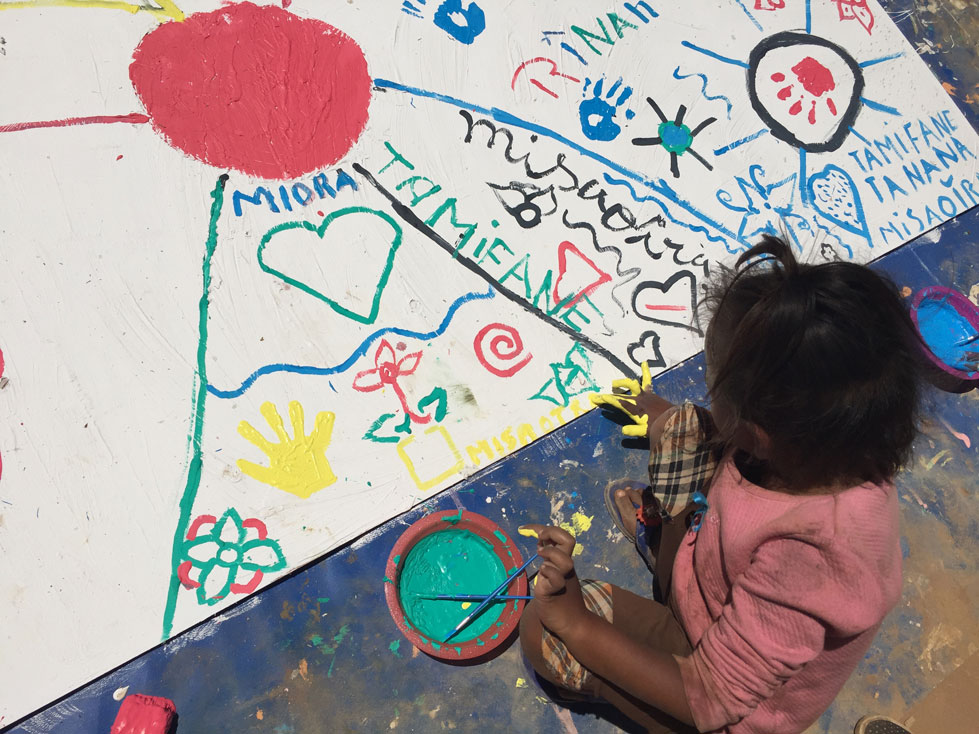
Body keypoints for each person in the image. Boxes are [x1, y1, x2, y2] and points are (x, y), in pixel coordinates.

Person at [519, 235, 923, 733]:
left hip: (718, 695)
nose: (706, 383)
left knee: (542, 631)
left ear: (758, 435)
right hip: (711, 577)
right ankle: (673, 563)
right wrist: (666, 417)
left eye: (714, 379)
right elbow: (719, 443)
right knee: (683, 428)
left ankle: (637, 649)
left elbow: (708, 698)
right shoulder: (837, 445)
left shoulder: (812, 559)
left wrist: (576, 623)